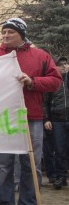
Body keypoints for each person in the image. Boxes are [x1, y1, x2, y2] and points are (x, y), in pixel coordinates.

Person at [0, 18, 61, 205]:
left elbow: (55, 81)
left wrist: (32, 82)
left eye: (11, 32)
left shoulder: (40, 56)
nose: (6, 36)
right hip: (3, 118)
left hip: (31, 117)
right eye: (4, 32)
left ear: (22, 34)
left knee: (31, 164)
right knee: (3, 164)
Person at [44, 56, 68, 189]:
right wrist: (46, 119)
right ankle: (61, 176)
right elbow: (45, 102)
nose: (64, 66)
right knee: (59, 150)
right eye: (61, 65)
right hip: (57, 120)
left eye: (65, 64)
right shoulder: (53, 81)